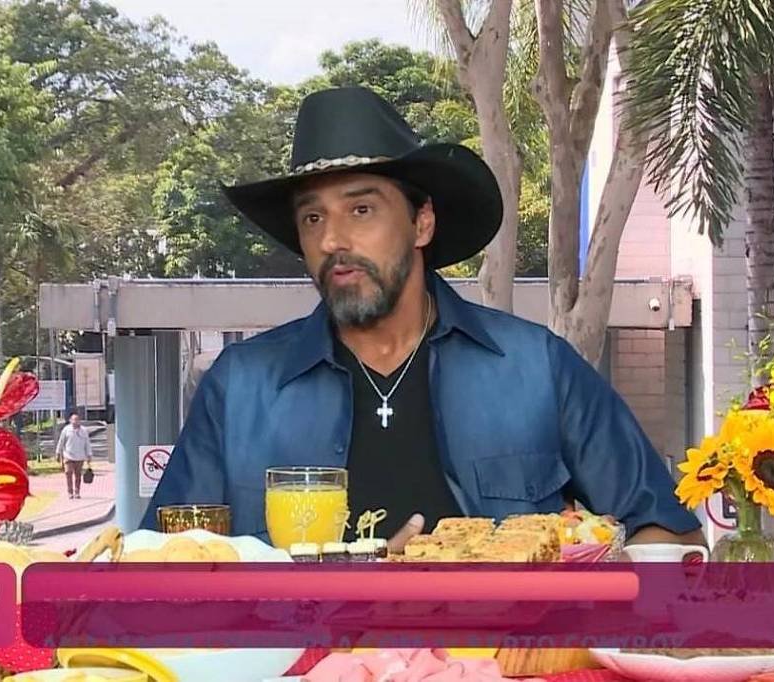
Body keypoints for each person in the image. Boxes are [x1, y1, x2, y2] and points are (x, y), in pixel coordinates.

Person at [140, 86, 705, 552]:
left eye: (361, 209)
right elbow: (159, 568)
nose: (332, 239)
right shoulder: (240, 387)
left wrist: (579, 580)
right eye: (312, 218)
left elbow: (671, 535)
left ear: (422, 223)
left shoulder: (536, 368)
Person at [56, 411, 92, 499]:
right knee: (68, 473)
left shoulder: (84, 431)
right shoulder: (66, 430)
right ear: (70, 420)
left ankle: (77, 492)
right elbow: (61, 441)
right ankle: (70, 492)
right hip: (68, 456)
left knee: (78, 475)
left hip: (80, 457)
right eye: (74, 419)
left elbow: (87, 443)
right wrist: (58, 452)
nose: (75, 421)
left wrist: (89, 454)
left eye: (77, 419)